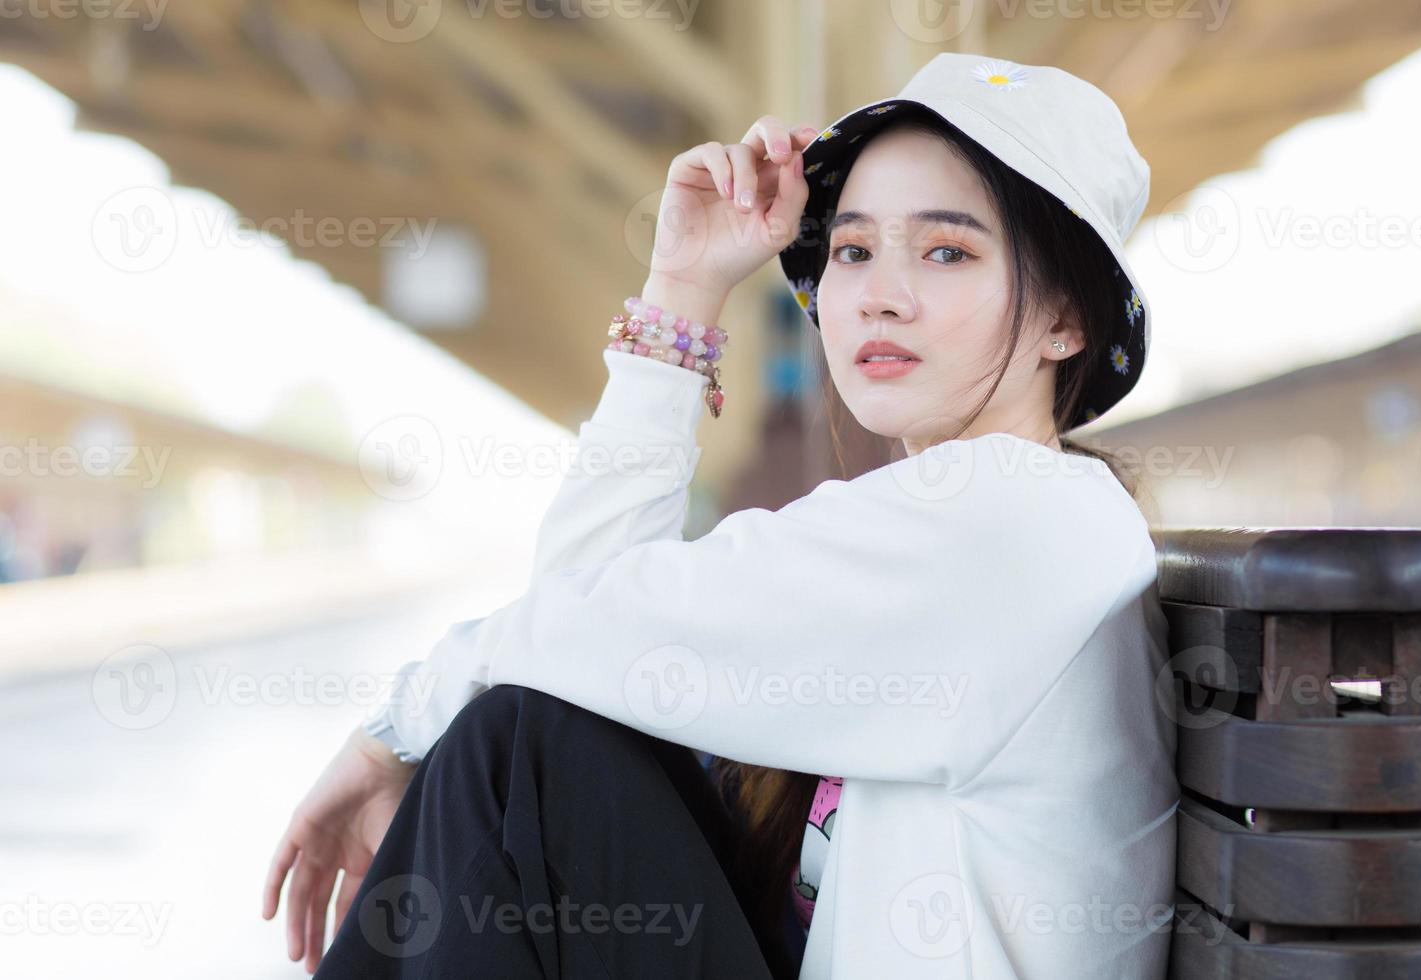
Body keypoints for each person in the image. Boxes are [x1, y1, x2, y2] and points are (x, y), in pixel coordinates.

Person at [262, 52, 1178, 978]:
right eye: (853, 249)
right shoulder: (1005, 521)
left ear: (1067, 318)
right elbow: (578, 645)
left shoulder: (1016, 524)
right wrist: (685, 286)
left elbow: (582, 630)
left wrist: (392, 730)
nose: (878, 294)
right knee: (533, 740)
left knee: (513, 753)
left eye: (947, 251)